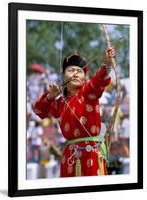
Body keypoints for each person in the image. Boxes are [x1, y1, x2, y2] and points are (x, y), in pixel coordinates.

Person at [33, 47, 116, 177]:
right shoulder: (59, 102)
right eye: (71, 70)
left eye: (80, 71)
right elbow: (39, 111)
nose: (76, 74)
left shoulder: (89, 91)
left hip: (91, 155)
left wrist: (107, 63)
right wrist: (50, 96)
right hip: (70, 157)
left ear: (85, 76)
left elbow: (99, 79)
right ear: (63, 75)